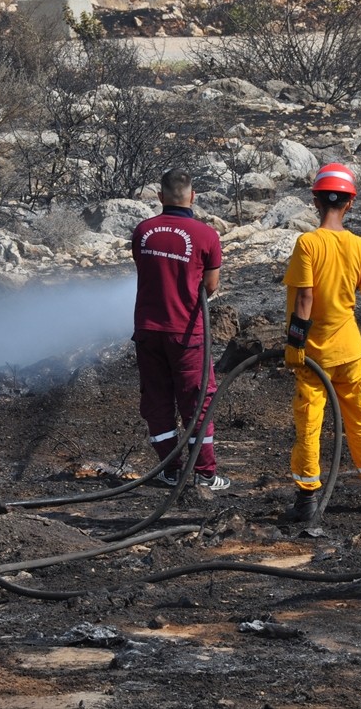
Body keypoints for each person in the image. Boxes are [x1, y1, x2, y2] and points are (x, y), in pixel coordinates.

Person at [282, 162, 361, 522]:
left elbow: (305, 299)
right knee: (360, 418)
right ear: (350, 203)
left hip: (314, 357)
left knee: (309, 424)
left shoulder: (308, 243)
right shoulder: (359, 246)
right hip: (353, 353)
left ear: (315, 201)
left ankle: (307, 500)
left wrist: (295, 344)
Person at [131, 167, 230, 491]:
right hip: (187, 333)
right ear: (193, 196)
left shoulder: (143, 231)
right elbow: (210, 286)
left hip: (148, 330)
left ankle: (170, 470)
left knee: (157, 401)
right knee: (197, 401)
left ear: (160, 196)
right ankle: (204, 474)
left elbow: (148, 271)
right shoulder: (206, 236)